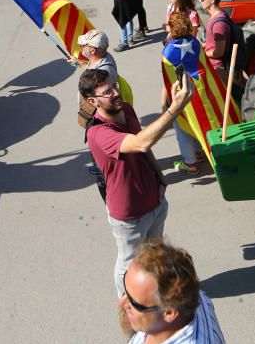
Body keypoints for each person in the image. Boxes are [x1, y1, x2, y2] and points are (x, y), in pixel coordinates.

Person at [79, 67, 193, 298]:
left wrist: (161, 180)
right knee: (129, 264)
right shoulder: (98, 134)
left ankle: (154, 293)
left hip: (155, 202)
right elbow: (140, 143)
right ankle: (128, 303)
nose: (116, 92)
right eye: (107, 91)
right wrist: (175, 108)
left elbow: (145, 148)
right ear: (93, 100)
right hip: (129, 215)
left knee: (155, 255)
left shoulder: (127, 110)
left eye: (115, 86)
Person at [121, 239, 225, 344]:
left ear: (169, 313)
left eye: (134, 302)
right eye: (126, 290)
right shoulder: (191, 296)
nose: (124, 303)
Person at [161, 12, 204, 176]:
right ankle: (198, 152)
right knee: (197, 121)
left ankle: (189, 162)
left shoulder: (168, 52)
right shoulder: (195, 42)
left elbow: (167, 79)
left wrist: (166, 103)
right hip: (198, 89)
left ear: (172, 28)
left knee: (182, 129)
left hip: (180, 94)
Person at [198, 0, 246, 83]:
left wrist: (203, 54)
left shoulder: (219, 24)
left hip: (219, 69)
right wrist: (204, 45)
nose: (200, 1)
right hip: (216, 66)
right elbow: (215, 43)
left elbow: (219, 52)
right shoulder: (215, 16)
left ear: (212, 0)